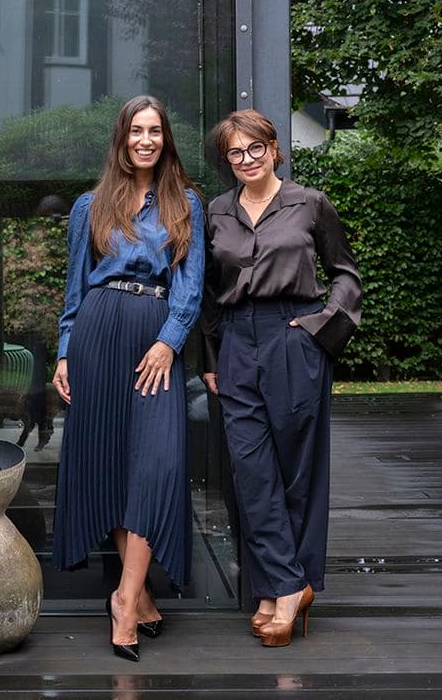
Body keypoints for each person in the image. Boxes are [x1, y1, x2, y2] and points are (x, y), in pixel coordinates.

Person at [51, 95, 205, 662]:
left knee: (156, 464)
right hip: (98, 334)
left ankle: (124, 594)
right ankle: (135, 599)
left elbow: (190, 287)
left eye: (155, 131)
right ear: (122, 139)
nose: (146, 140)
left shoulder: (185, 203)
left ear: (166, 140)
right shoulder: (89, 206)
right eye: (137, 130)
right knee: (111, 460)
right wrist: (66, 352)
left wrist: (169, 340)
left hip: (155, 337)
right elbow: (76, 288)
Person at [202, 109, 361, 648]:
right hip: (236, 344)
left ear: (275, 150)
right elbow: (207, 290)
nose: (246, 160)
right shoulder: (216, 211)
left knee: (297, 468)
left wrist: (319, 330)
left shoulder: (309, 203)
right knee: (251, 469)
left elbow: (346, 274)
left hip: (293, 334)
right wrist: (210, 356)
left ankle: (283, 591)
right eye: (235, 154)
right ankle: (288, 583)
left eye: (255, 149)